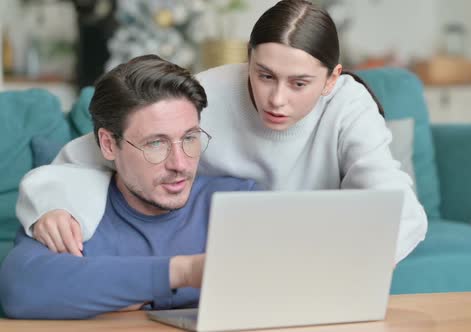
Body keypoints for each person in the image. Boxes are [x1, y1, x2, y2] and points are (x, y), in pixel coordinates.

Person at [16, 0, 427, 264]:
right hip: (225, 251)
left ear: (332, 78)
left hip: (312, 253)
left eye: (299, 83)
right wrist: (53, 206)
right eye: (264, 75)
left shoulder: (349, 105)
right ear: (247, 59)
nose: (276, 99)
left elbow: (400, 209)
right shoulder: (208, 93)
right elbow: (84, 156)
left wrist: (335, 266)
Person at [0, 55, 256, 319]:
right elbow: (21, 289)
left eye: (189, 138)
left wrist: (113, 292)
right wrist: (185, 272)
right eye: (156, 143)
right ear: (109, 144)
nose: (180, 164)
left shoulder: (237, 200)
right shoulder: (73, 209)